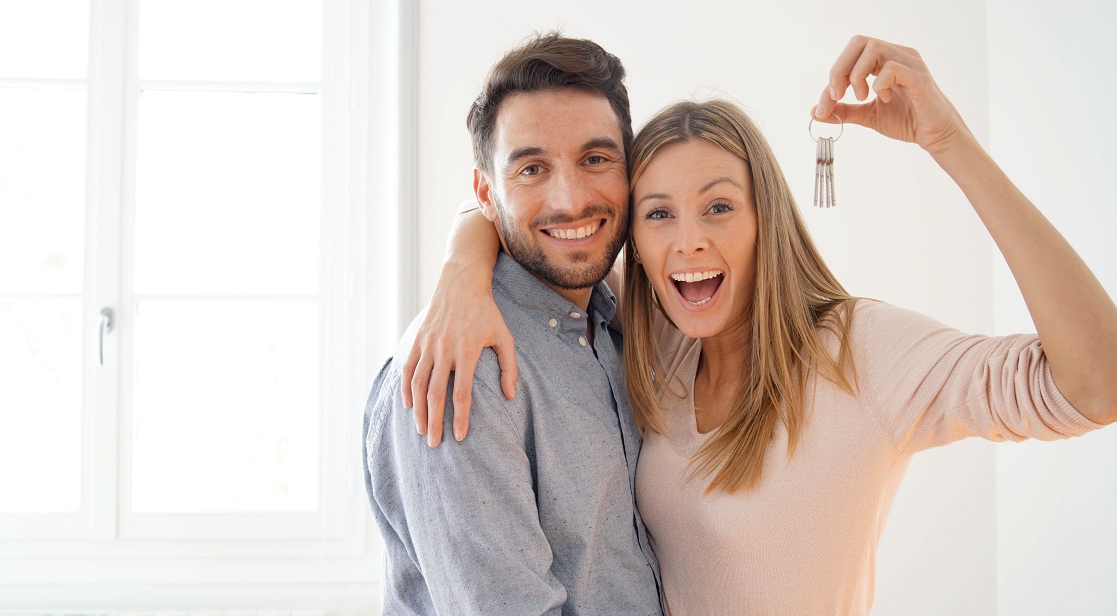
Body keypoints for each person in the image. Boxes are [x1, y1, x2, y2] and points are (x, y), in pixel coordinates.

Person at [406, 36, 1117, 614]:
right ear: (633, 232)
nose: (687, 243)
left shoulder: (859, 352)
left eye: (718, 207)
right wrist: (461, 271)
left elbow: (1098, 384)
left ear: (763, 218)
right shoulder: (656, 343)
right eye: (658, 214)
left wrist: (951, 141)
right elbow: (539, 224)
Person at [361, 33, 662, 614]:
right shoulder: (459, 368)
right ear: (486, 193)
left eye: (596, 159)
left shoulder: (624, 319)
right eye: (531, 168)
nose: (571, 199)